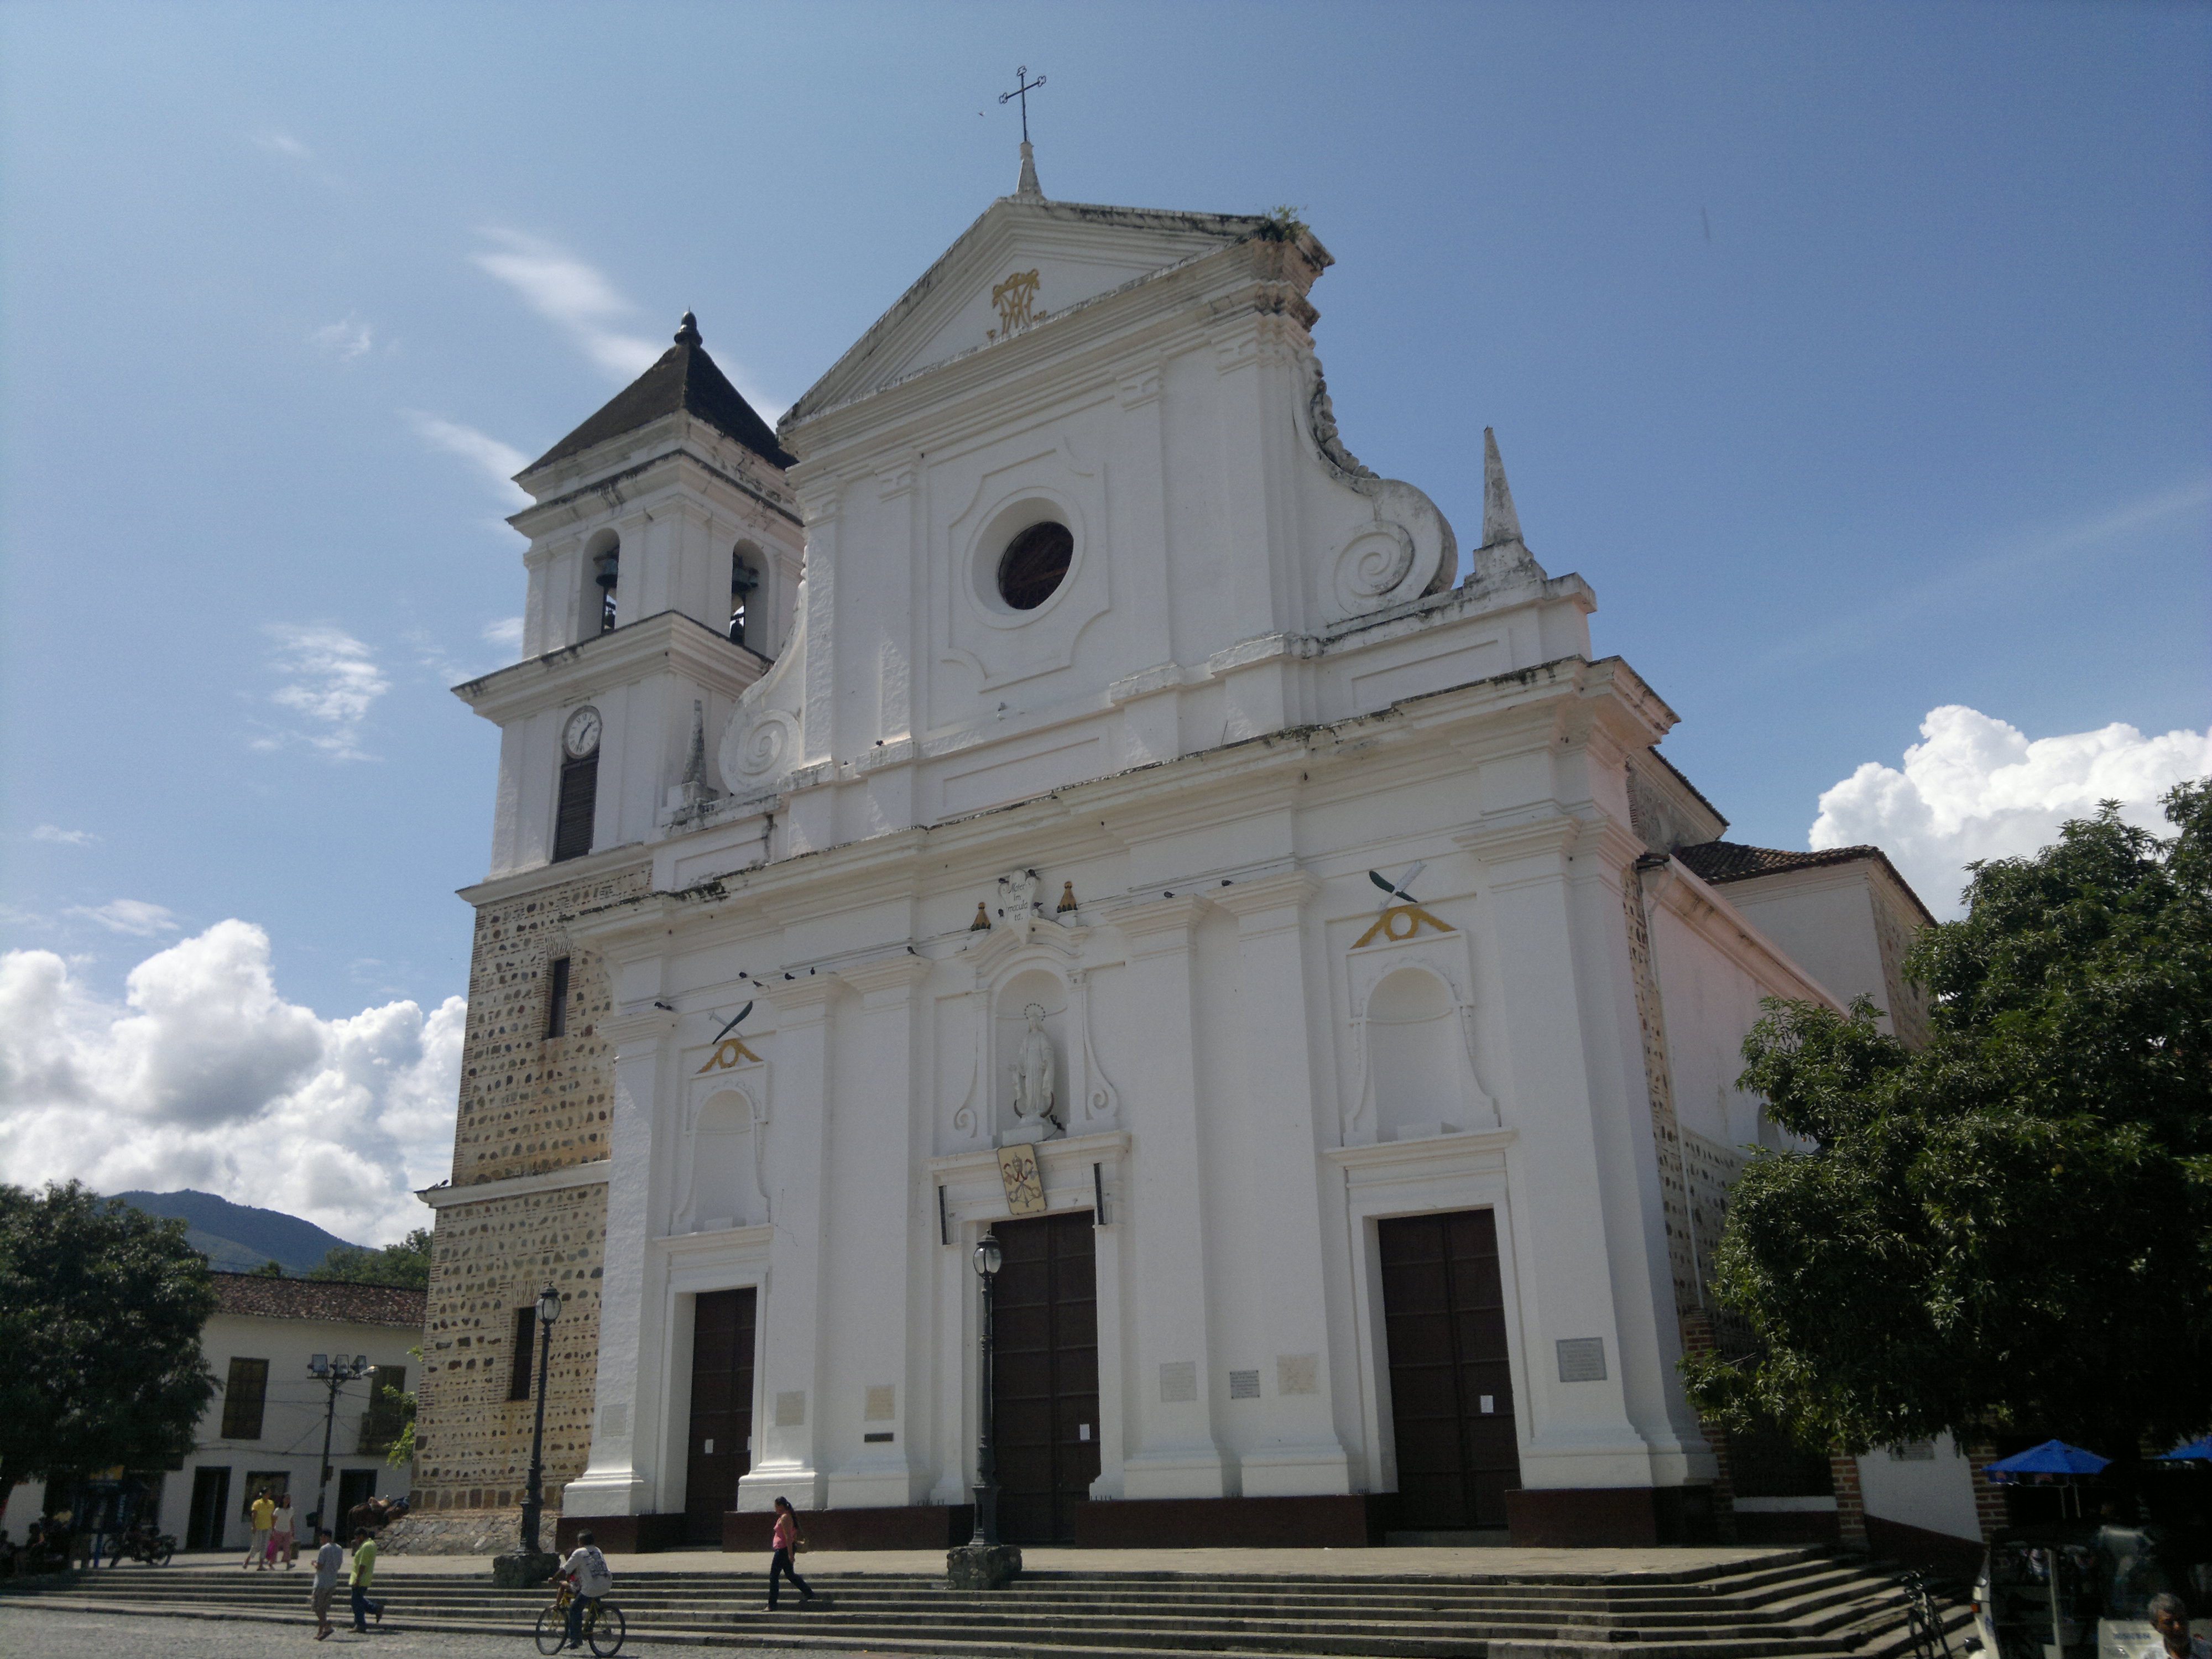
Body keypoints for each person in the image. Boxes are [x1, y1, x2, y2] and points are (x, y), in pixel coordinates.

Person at [555, 1528, 613, 1650]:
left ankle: (576, 1640)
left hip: (591, 1587)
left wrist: (553, 1578)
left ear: (581, 1541)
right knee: (593, 1599)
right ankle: (592, 1622)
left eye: (578, 1541)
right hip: (606, 1584)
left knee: (575, 1610)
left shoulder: (579, 1552)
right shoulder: (598, 1550)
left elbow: (565, 1570)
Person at [765, 1497, 815, 1610]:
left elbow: (788, 1537)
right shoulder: (786, 1516)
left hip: (783, 1550)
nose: (775, 1509)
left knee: (774, 1576)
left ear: (781, 1506)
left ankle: (772, 1605)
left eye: (776, 1507)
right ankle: (809, 1593)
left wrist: (790, 1555)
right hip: (784, 1549)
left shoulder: (785, 1517)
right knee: (790, 1575)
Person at [2143, 1594, 2210, 1659]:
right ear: (2156, 1627)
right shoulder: (2151, 1656)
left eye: (2181, 1619)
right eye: (2169, 1623)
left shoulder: (2208, 1652)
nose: (2178, 1627)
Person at [309, 1528, 343, 1641]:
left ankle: (327, 1626)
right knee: (323, 1608)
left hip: (322, 1582)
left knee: (316, 1607)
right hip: (332, 1581)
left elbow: (320, 1566)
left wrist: (313, 1563)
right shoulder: (339, 1548)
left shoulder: (324, 1549)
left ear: (324, 1536)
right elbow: (339, 1565)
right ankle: (321, 1631)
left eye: (321, 1537)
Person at [348, 1529, 385, 1632]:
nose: (356, 1540)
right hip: (363, 1578)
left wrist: (358, 1579)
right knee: (358, 1600)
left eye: (357, 1538)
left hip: (361, 1579)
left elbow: (362, 1564)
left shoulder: (366, 1546)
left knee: (356, 1603)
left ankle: (361, 1624)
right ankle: (376, 1609)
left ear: (362, 1536)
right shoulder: (370, 1544)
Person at [244, 1488, 275, 1570]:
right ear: (263, 1495)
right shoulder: (257, 1503)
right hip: (258, 1527)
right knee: (256, 1545)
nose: (269, 1495)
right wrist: (254, 1526)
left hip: (267, 1527)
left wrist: (272, 1529)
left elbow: (272, 1516)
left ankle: (261, 1565)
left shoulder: (271, 1503)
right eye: (267, 1493)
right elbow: (254, 1515)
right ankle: (248, 1560)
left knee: (265, 1545)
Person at [271, 1497, 296, 1569]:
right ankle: (271, 1563)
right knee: (276, 1548)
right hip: (278, 1530)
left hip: (287, 1531)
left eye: (289, 1499)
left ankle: (288, 1563)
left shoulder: (291, 1510)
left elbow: (291, 1520)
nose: (287, 1500)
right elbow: (274, 1521)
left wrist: (293, 1531)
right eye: (286, 1499)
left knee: (287, 1548)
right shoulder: (278, 1510)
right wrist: (272, 1531)